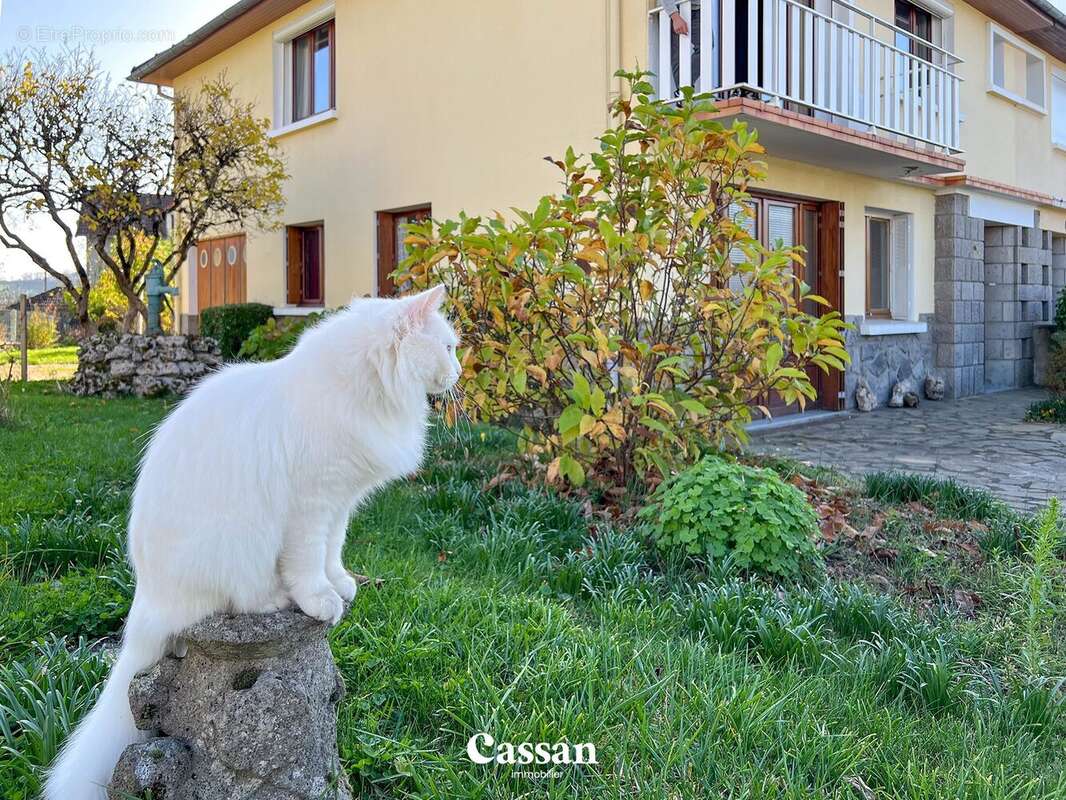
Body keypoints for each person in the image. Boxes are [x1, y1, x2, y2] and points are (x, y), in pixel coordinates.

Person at [663, 0, 701, 95]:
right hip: (677, 8)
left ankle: (683, 88)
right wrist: (675, 17)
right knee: (677, 55)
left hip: (698, 8)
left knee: (706, 48)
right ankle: (682, 92)